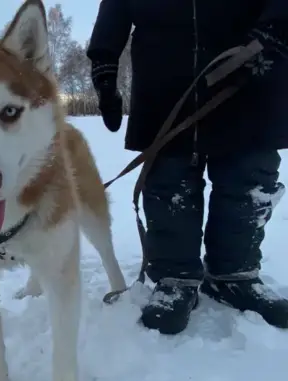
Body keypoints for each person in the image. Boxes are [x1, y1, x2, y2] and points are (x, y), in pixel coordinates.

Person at [86, 0, 288, 335]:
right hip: (164, 77)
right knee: (169, 183)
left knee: (248, 181)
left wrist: (276, 30)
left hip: (248, 67)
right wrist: (104, 62)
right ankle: (174, 278)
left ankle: (235, 274)